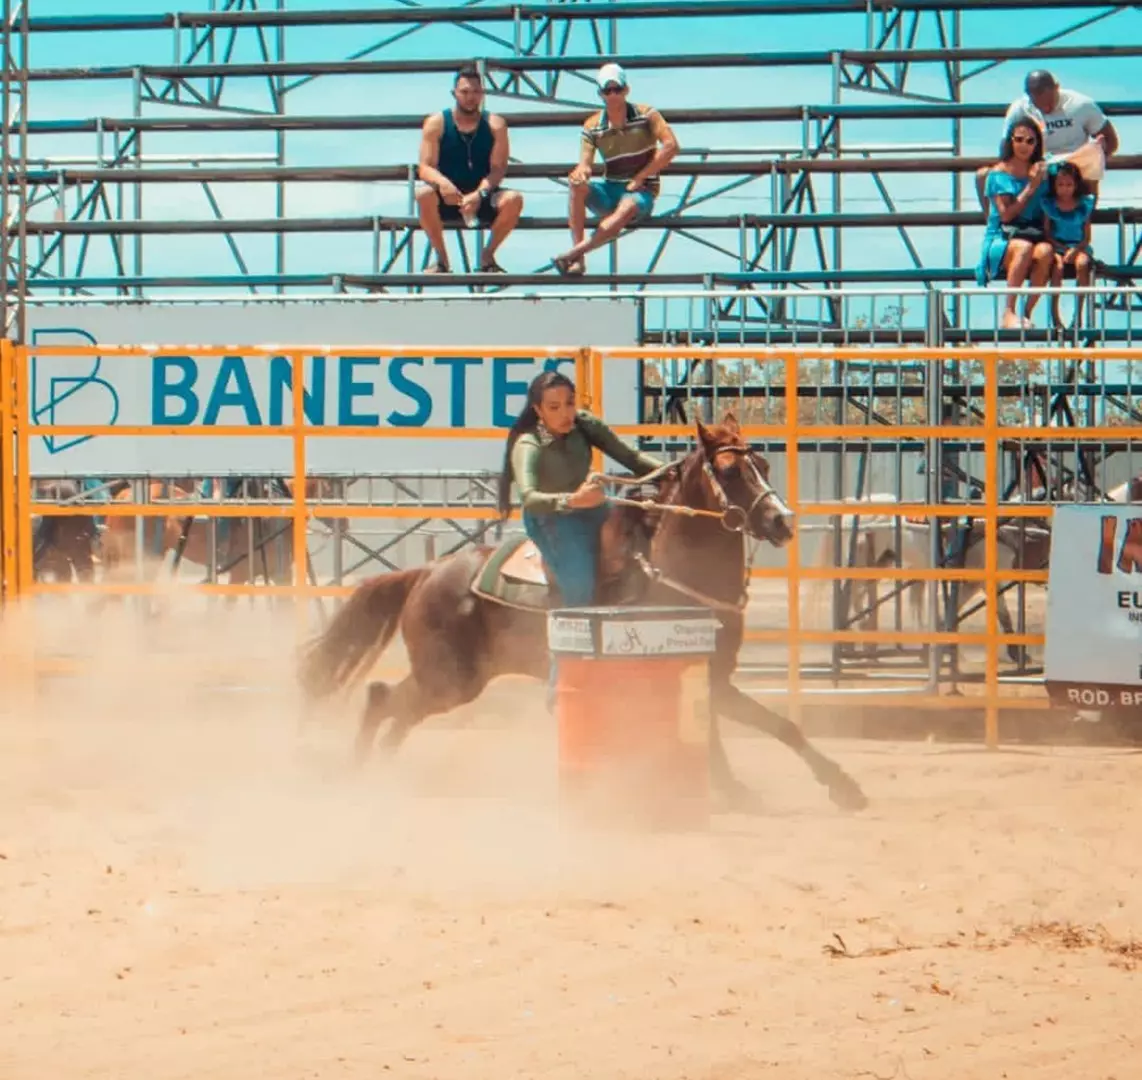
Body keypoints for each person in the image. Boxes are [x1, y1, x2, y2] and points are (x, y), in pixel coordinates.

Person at [497, 369, 663, 609]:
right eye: (554, 407)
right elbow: (529, 497)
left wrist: (672, 470)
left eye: (570, 404)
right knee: (579, 583)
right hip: (551, 519)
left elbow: (631, 458)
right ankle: (571, 636)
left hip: (594, 507)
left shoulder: (584, 425)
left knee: (639, 548)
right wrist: (572, 500)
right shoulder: (529, 444)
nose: (565, 413)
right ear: (538, 410)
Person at [551, 63, 679, 276]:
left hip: (641, 192)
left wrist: (641, 177)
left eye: (616, 89)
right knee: (577, 188)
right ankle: (577, 258)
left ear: (626, 90)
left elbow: (671, 146)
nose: (612, 95)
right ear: (600, 93)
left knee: (628, 205)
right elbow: (585, 162)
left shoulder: (646, 114)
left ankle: (574, 253)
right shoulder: (592, 125)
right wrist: (580, 174)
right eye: (607, 91)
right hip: (612, 188)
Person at [415, 63, 524, 273]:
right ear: (454, 93)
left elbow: (498, 169)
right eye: (464, 92)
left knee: (514, 200)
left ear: (482, 94)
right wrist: (444, 184)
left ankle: (488, 257)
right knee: (423, 194)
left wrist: (480, 194)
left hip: (483, 195)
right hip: (447, 196)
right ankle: (442, 260)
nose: (470, 97)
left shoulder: (495, 125)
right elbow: (425, 167)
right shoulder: (436, 123)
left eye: (475, 92)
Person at [976, 69, 1118, 211]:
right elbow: (1005, 149)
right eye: (1039, 105)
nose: (1046, 108)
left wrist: (1096, 155)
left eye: (1049, 102)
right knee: (984, 176)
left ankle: (1079, 220)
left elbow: (1111, 141)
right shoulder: (1020, 109)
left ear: (1057, 87)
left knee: (1092, 160)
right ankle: (998, 229)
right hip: (1036, 166)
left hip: (1073, 168)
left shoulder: (1081, 105)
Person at [975, 120, 1054, 330]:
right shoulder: (998, 175)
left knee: (1045, 251)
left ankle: (1026, 312)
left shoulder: (1042, 173)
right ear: (1010, 141)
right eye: (1019, 139)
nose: (1024, 145)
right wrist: (1031, 187)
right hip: (1002, 238)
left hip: (1034, 234)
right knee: (1024, 247)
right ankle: (1008, 311)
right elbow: (1006, 216)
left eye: (1030, 141)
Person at [1043, 160, 1096, 328]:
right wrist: (1063, 249)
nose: (1065, 188)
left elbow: (1087, 237)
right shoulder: (1049, 205)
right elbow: (1047, 234)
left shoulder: (1083, 205)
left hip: (1079, 246)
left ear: (1075, 185)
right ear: (1054, 186)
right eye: (1060, 184)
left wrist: (1075, 249)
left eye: (1069, 184)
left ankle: (1078, 313)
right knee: (1057, 267)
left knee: (1082, 264)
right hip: (1058, 245)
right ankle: (1055, 313)